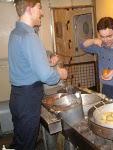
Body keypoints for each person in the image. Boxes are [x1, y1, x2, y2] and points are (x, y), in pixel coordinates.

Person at [8, 0, 67, 149]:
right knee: (26, 145)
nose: (41, 12)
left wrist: (46, 62)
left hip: (18, 96)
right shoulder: (29, 36)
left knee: (20, 140)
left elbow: (26, 64)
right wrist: (59, 73)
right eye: (39, 8)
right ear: (29, 9)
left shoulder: (16, 32)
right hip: (28, 98)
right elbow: (46, 77)